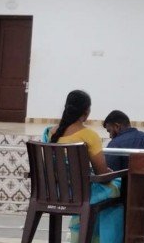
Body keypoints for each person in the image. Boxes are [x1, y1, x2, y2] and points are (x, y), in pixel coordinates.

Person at [43, 90, 123, 243]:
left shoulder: (49, 133)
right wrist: (110, 173)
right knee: (119, 188)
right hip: (81, 194)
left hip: (52, 193)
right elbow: (101, 174)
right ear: (86, 112)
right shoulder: (89, 135)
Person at [102, 110, 144, 236]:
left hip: (125, 209)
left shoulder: (115, 145)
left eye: (109, 131)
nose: (110, 135)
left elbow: (110, 177)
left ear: (117, 126)